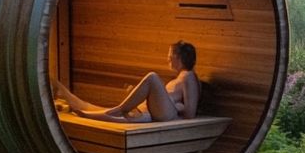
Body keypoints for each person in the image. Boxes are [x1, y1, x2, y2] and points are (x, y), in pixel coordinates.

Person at [56, 41, 199, 123]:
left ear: (178, 56)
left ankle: (118, 110)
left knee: (152, 77)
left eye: (170, 55)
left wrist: (177, 105)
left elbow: (190, 113)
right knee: (98, 111)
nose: (168, 59)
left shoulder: (189, 76)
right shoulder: (180, 77)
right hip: (156, 112)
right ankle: (86, 110)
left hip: (168, 114)